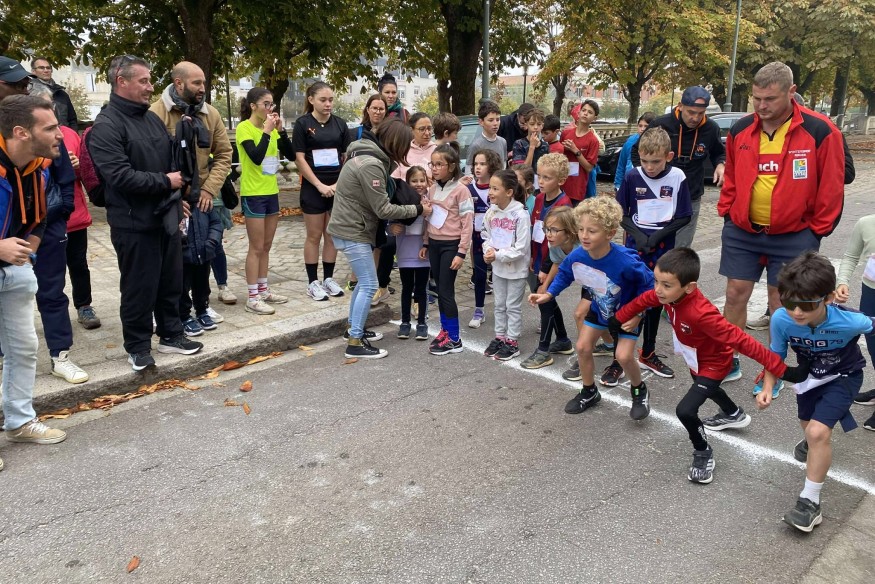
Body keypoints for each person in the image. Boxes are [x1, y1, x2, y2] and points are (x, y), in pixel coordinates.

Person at [611, 248, 799, 484]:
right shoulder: (668, 295)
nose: (658, 289)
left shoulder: (702, 313)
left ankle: (703, 452)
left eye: (666, 285)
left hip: (715, 363)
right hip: (695, 358)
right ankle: (733, 414)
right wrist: (617, 319)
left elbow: (743, 341)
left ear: (689, 287)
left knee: (685, 410)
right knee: (705, 388)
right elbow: (644, 299)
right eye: (656, 281)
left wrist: (783, 370)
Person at [718, 61, 846, 396]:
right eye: (756, 98)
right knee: (735, 293)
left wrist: (816, 231)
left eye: (770, 99)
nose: (761, 106)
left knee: (781, 302)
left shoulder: (821, 130)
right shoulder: (742, 129)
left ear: (791, 92)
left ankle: (773, 369)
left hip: (794, 235)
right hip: (744, 231)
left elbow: (832, 186)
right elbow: (731, 176)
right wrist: (728, 212)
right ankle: (728, 359)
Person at [89, 55, 203, 371]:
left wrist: (177, 196)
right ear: (121, 81)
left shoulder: (151, 119)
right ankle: (138, 347)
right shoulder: (106, 126)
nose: (150, 87)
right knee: (139, 287)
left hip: (165, 217)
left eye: (150, 80)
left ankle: (171, 335)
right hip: (133, 223)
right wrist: (166, 182)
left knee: (171, 281)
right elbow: (119, 176)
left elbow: (171, 161)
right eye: (143, 81)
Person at [760, 252, 873, 532]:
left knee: (817, 432)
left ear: (829, 298)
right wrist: (768, 386)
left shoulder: (852, 321)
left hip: (845, 375)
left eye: (807, 305)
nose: (797, 312)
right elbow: (775, 357)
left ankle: (809, 504)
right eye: (789, 303)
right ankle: (812, 444)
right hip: (810, 378)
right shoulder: (781, 319)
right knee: (808, 427)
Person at [529, 196, 654, 420]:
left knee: (623, 356)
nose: (584, 236)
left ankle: (639, 390)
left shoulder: (626, 261)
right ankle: (589, 391)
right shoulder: (578, 255)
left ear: (610, 233)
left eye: (592, 231)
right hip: (599, 309)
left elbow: (649, 286)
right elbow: (565, 273)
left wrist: (638, 314)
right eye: (581, 229)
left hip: (627, 314)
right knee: (583, 347)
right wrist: (548, 294)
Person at [0, 94, 68, 461]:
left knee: (23, 349)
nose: (60, 134)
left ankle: (19, 422)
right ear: (21, 132)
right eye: (51, 128)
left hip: (15, 272)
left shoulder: (37, 168)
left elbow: (39, 219)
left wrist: (27, 256)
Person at [327, 119, 429, 358]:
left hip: (350, 228)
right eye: (405, 144)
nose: (406, 150)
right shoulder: (371, 164)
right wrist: (418, 209)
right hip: (353, 230)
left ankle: (354, 330)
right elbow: (383, 209)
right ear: (396, 143)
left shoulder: (364, 155)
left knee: (364, 283)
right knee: (370, 284)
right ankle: (355, 342)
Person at [150, 61, 234, 328]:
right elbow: (152, 161)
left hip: (202, 198)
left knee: (203, 255)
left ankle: (202, 306)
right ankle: (178, 312)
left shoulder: (210, 114)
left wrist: (209, 189)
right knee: (175, 261)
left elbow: (224, 154)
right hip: (172, 199)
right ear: (179, 83)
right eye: (196, 83)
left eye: (204, 82)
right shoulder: (156, 114)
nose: (202, 88)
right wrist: (174, 198)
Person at [616, 126, 693, 379]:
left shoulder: (678, 177)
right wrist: (639, 236)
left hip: (663, 249)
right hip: (635, 247)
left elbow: (684, 215)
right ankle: (619, 356)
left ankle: (648, 352)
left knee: (656, 300)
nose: (649, 167)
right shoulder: (632, 176)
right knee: (629, 299)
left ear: (668, 157)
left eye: (656, 162)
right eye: (645, 161)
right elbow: (621, 213)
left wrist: (657, 237)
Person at [26, 81, 89, 384]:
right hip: (12, 234)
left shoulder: (56, 139)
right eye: (45, 108)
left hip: (50, 227)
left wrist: (61, 213)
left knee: (52, 292)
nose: (54, 118)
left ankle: (60, 356)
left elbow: (65, 178)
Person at [633, 87, 725, 249]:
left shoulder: (711, 128)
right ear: (680, 106)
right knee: (655, 242)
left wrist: (720, 164)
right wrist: (646, 175)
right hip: (660, 193)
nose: (695, 118)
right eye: (691, 112)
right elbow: (636, 151)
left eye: (701, 113)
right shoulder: (661, 124)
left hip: (691, 192)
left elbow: (719, 152)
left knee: (681, 247)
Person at [236, 87, 294, 314]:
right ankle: (252, 297)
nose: (271, 108)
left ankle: (263, 289)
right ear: (253, 106)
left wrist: (281, 131)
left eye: (272, 104)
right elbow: (256, 157)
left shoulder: (271, 130)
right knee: (256, 246)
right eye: (266, 104)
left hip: (271, 191)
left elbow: (290, 154)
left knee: (267, 245)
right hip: (253, 193)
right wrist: (268, 132)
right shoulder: (244, 128)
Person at [292, 82, 350, 301]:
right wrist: (318, 185)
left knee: (332, 234)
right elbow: (299, 158)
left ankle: (328, 278)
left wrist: (336, 185)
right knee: (314, 235)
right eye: (323, 100)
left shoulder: (340, 124)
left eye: (331, 100)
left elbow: (346, 157)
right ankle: (312, 282)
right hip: (313, 187)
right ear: (311, 100)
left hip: (336, 187)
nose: (328, 104)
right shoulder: (303, 124)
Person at [423, 144, 474, 355]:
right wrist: (426, 242)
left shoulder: (461, 191)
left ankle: (454, 338)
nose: (434, 168)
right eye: (432, 164)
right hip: (434, 244)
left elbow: (467, 222)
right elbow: (429, 218)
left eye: (439, 165)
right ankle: (445, 330)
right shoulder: (432, 189)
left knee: (445, 290)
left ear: (451, 166)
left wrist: (461, 252)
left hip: (451, 246)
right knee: (441, 290)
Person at [481, 170, 531, 361]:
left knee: (512, 306)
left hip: (516, 270)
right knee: (499, 304)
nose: (490, 192)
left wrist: (498, 255)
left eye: (495, 188)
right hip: (498, 268)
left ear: (509, 192)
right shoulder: (491, 212)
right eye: (490, 188)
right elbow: (485, 235)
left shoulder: (520, 215)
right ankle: (500, 337)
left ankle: (512, 341)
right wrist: (488, 250)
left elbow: (521, 248)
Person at [521, 205, 577, 369]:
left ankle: (609, 353)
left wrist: (550, 290)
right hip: (581, 276)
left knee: (586, 315)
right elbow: (557, 263)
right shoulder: (556, 244)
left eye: (554, 230)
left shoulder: (582, 248)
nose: (549, 234)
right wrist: (545, 286)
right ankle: (561, 342)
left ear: (569, 232)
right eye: (547, 229)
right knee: (546, 299)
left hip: (599, 281)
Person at [834, 214, 875, 430]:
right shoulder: (866, 223)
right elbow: (851, 256)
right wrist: (842, 282)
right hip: (871, 294)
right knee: (873, 346)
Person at [392, 166, 432, 341]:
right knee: (406, 288)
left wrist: (427, 244)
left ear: (427, 182)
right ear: (407, 183)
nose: (418, 184)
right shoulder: (400, 200)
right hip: (404, 252)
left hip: (423, 253)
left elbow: (433, 225)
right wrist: (392, 227)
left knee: (421, 289)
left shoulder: (430, 201)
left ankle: (422, 322)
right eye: (414, 181)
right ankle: (405, 322)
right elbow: (390, 220)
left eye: (422, 180)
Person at [467, 148, 503, 329]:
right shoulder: (468, 188)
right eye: (476, 164)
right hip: (477, 239)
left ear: (492, 166)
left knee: (499, 276)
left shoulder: (497, 189)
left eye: (483, 164)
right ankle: (479, 309)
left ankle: (503, 310)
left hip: (499, 239)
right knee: (480, 275)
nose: (478, 167)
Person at [560, 99, 600, 204]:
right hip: (561, 184)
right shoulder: (566, 133)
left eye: (590, 112)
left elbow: (589, 168)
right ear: (579, 112)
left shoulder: (593, 140)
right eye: (583, 110)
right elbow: (558, 156)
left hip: (577, 189)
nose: (585, 113)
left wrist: (576, 151)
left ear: (595, 118)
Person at [30, 57, 78, 130]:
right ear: (33, 71)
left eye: (48, 68)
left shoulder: (61, 93)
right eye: (41, 68)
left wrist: (73, 134)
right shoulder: (29, 92)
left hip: (64, 134)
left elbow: (72, 120)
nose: (46, 70)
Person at [614, 112, 655, 192]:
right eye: (640, 126)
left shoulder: (658, 143)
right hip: (630, 183)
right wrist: (618, 185)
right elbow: (621, 164)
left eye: (646, 126)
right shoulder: (630, 142)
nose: (642, 129)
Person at [467, 101, 507, 173]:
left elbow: (503, 165)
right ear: (481, 122)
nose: (495, 123)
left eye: (498, 120)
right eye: (491, 120)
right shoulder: (476, 145)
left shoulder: (502, 142)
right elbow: (469, 171)